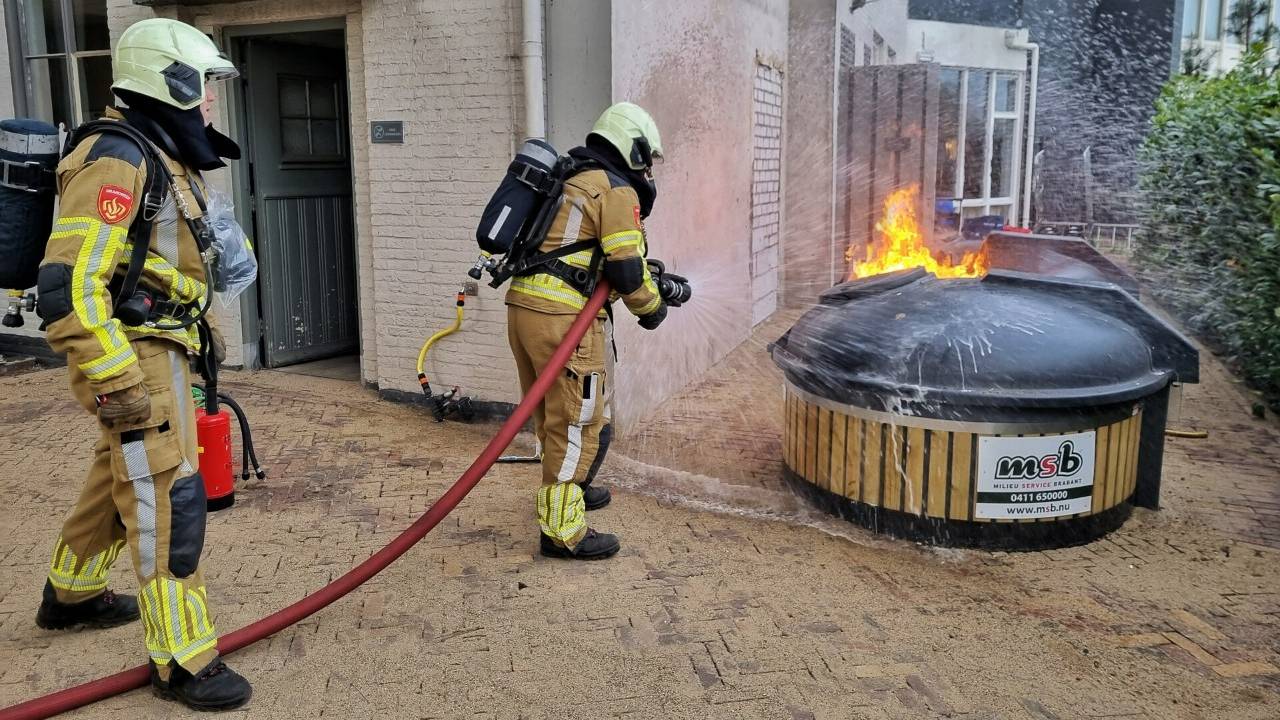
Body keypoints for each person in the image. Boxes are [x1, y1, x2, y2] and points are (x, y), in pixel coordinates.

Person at [33, 18, 251, 711]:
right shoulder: (117, 158)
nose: (210, 101)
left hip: (161, 345)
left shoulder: (157, 150)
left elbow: (155, 261)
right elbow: (69, 285)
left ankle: (72, 593)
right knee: (167, 499)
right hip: (134, 357)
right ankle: (183, 659)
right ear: (168, 82)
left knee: (119, 471)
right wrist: (117, 377)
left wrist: (198, 327)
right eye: (204, 85)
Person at [506, 102, 669, 560]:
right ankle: (562, 530)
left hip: (524, 309)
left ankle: (569, 494)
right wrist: (653, 308)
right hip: (564, 320)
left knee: (552, 414)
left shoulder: (572, 178)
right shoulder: (614, 189)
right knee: (578, 420)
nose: (649, 170)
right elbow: (626, 269)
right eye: (648, 158)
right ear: (633, 148)